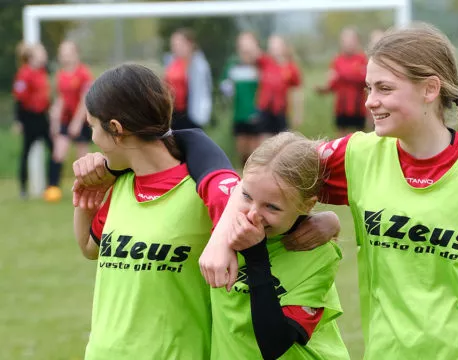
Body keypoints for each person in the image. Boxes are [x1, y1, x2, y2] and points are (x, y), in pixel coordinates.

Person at [193, 23, 458, 359]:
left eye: (384, 88)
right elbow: (265, 174)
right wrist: (221, 241)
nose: (371, 102)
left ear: (430, 89)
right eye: (368, 88)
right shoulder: (358, 156)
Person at [71, 67, 341, 360]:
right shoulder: (123, 183)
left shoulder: (207, 194)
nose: (251, 213)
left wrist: (325, 221)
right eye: (247, 197)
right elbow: (91, 248)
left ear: (116, 129)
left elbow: (264, 208)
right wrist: (86, 200)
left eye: (92, 127)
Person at [207, 132, 349, 360]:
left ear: (307, 204)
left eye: (271, 207)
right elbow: (190, 143)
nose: (253, 214)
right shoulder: (225, 222)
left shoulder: (318, 255)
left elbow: (274, 344)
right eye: (246, 195)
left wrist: (256, 257)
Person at [12, 42, 60, 200]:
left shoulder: (42, 72)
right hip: (29, 117)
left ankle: (51, 185)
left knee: (54, 149)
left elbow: (45, 96)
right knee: (26, 152)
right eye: (41, 51)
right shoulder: (24, 74)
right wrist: (18, 120)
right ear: (32, 56)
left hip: (42, 117)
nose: (44, 54)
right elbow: (19, 98)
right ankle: (23, 189)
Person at [48, 40, 93, 202]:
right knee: (58, 153)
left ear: (75, 53)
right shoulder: (60, 75)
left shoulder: (83, 73)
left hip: (81, 120)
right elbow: (60, 100)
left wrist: (77, 122)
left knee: (82, 157)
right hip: (65, 120)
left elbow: (85, 100)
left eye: (67, 51)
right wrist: (55, 122)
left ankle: (86, 189)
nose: (64, 55)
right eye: (62, 52)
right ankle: (52, 187)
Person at [244, 34, 303, 136]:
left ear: (283, 47)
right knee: (263, 142)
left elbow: (297, 92)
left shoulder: (291, 68)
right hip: (264, 110)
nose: (273, 48)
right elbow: (253, 54)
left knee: (281, 144)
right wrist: (249, 43)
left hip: (280, 111)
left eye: (276, 45)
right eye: (271, 45)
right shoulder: (266, 62)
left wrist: (298, 114)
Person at [316, 27, 368, 138]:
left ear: (356, 41)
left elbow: (364, 79)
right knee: (341, 138)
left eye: (351, 40)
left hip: (358, 106)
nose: (348, 43)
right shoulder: (337, 60)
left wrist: (341, 75)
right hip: (341, 106)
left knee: (361, 137)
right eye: (345, 40)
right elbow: (333, 84)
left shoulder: (362, 59)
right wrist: (324, 89)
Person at [220, 32, 262, 165]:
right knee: (243, 154)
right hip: (239, 115)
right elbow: (225, 84)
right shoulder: (233, 64)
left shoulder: (261, 64)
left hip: (258, 114)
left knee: (256, 155)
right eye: (242, 43)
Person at [165, 28, 213, 130]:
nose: (176, 48)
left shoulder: (199, 65)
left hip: (192, 114)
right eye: (174, 45)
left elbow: (204, 90)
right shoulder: (170, 62)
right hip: (173, 114)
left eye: (180, 44)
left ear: (189, 44)